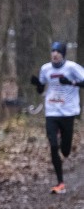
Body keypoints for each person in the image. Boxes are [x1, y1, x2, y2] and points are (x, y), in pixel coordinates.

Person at [30, 41, 84, 194]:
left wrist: (71, 82)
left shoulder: (72, 67)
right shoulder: (45, 68)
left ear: (63, 54)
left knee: (65, 150)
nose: (54, 54)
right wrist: (37, 84)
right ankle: (60, 182)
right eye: (53, 51)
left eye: (58, 51)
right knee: (53, 145)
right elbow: (41, 89)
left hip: (68, 111)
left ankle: (64, 146)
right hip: (52, 112)